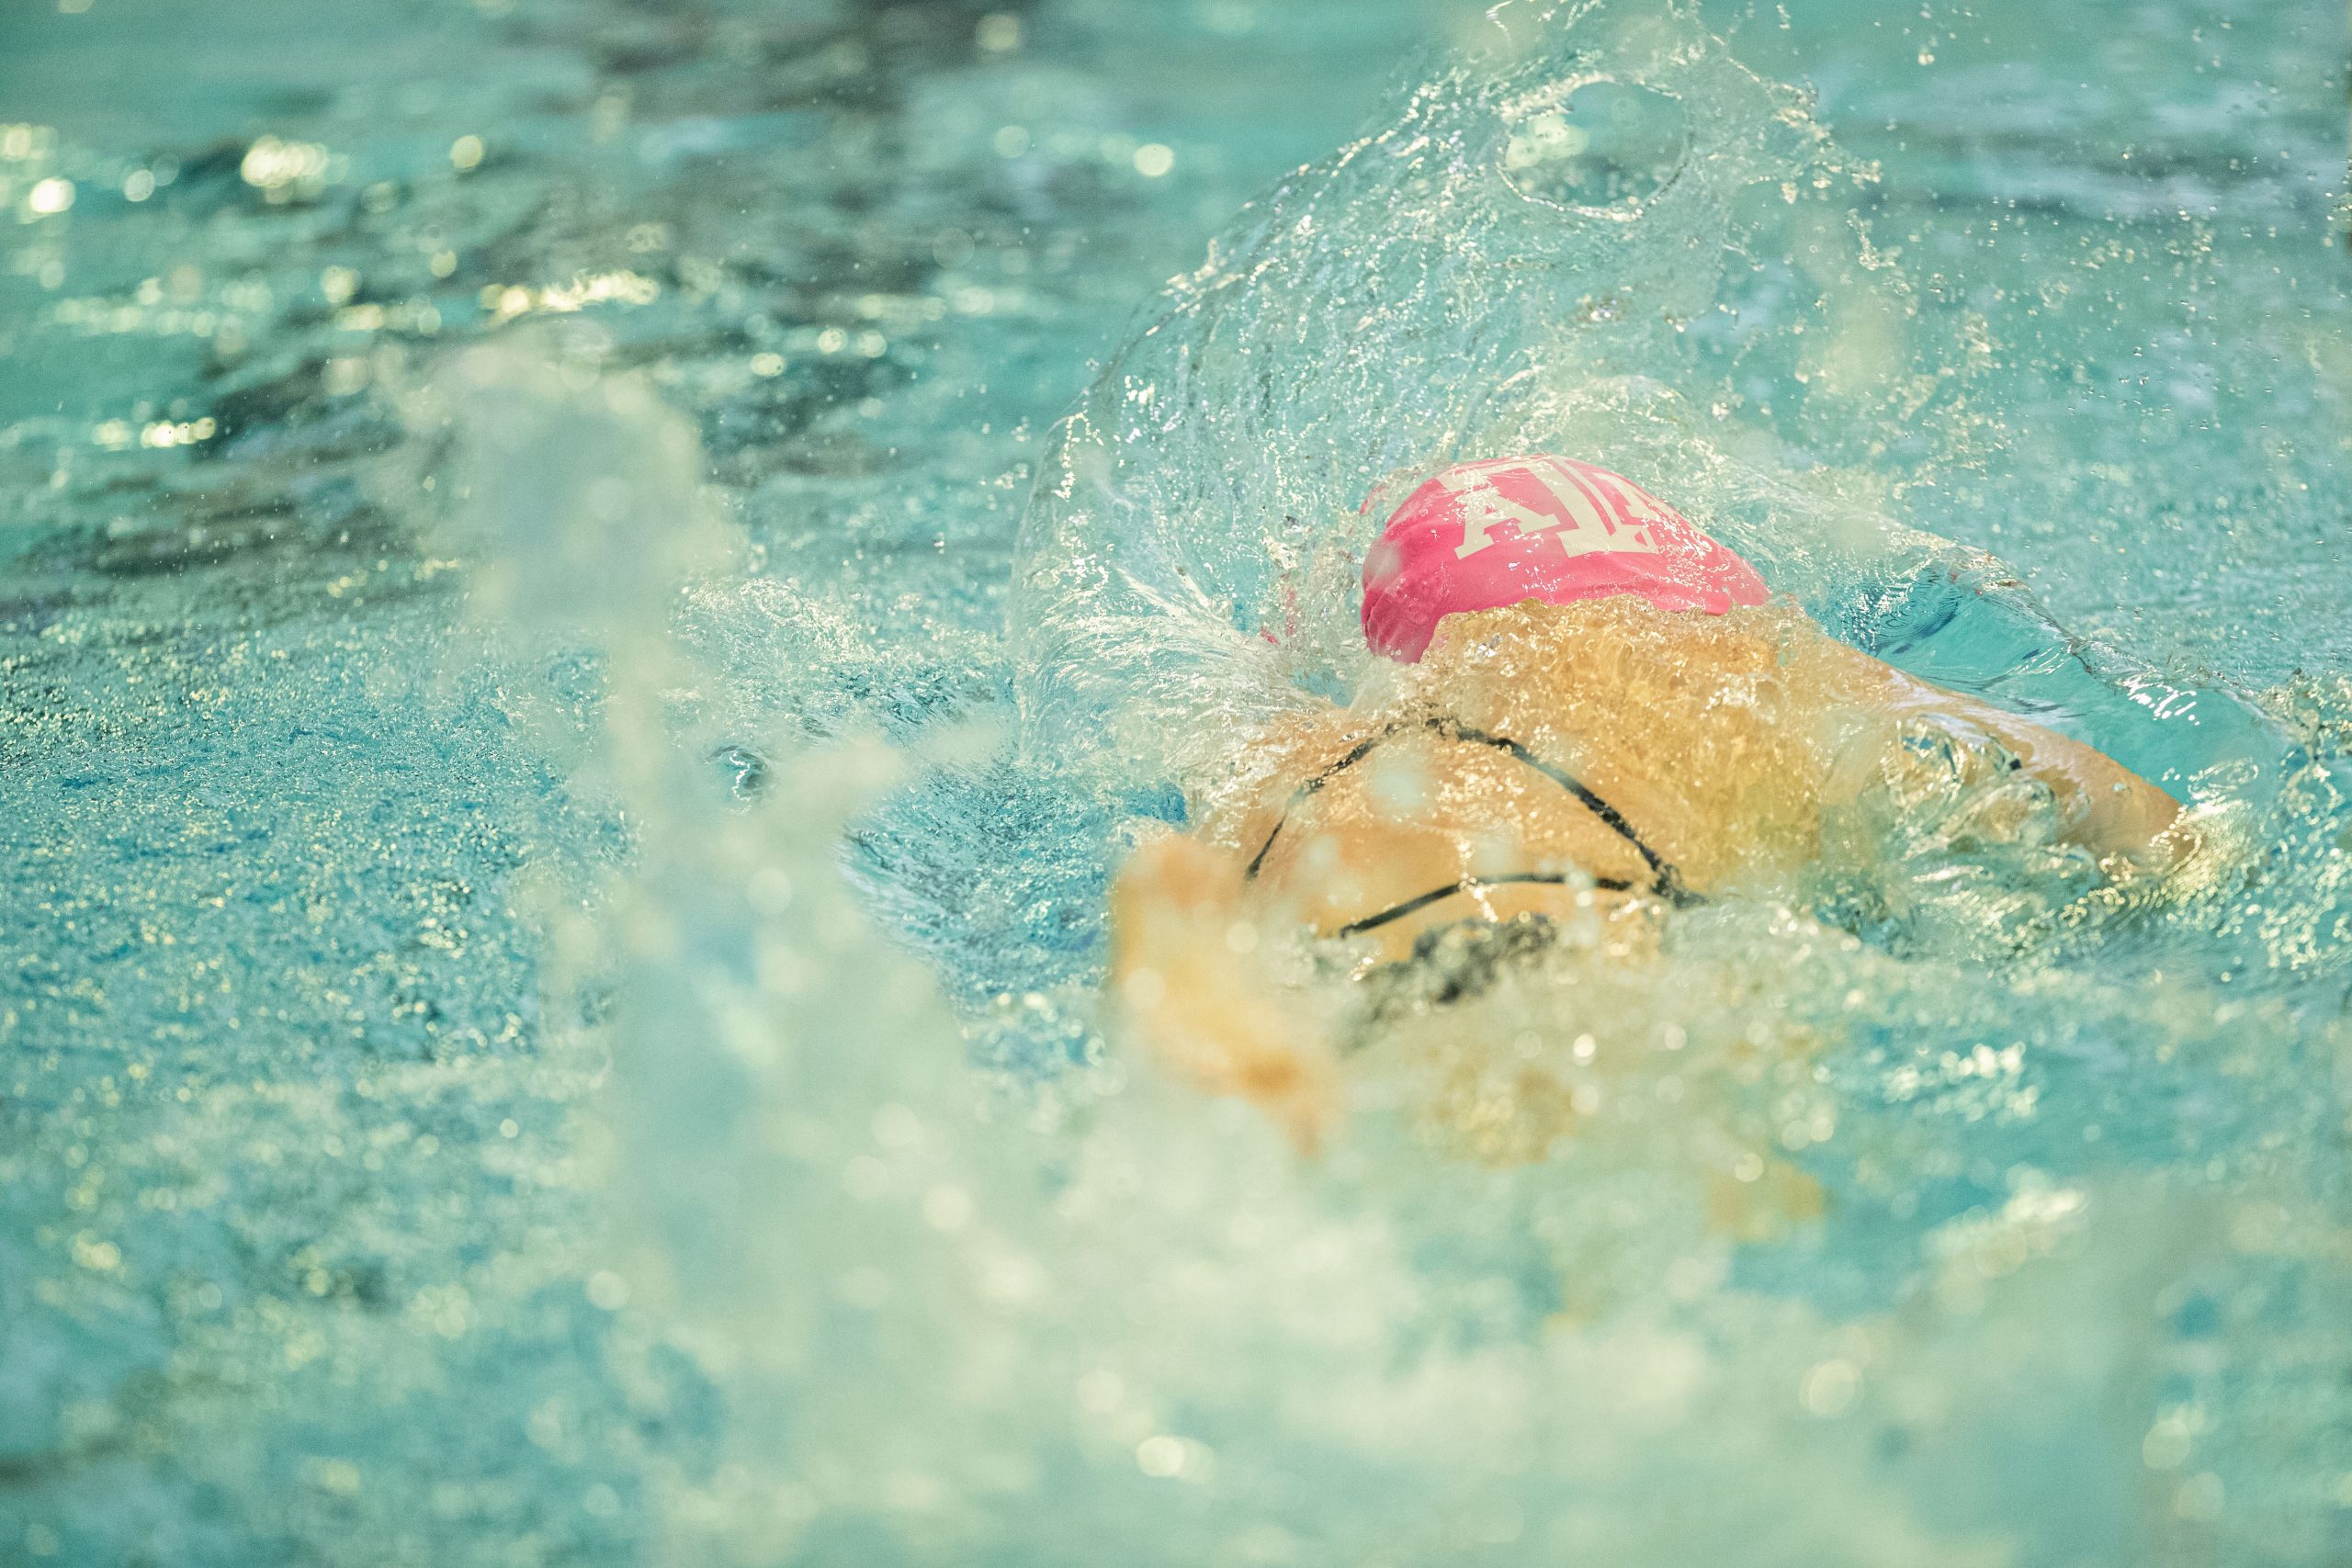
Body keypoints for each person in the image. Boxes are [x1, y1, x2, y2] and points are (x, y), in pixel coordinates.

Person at [1109, 455, 2189, 1150]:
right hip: (1584, 942)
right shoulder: (1751, 667)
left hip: (1327, 924)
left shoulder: (1299, 741)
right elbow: (2145, 827)